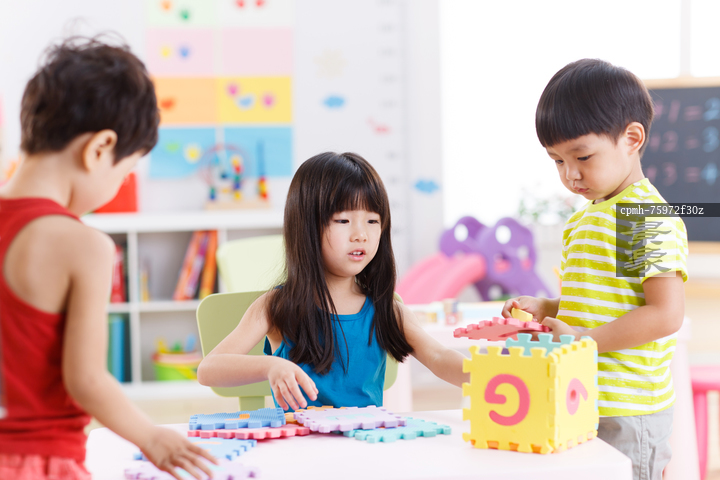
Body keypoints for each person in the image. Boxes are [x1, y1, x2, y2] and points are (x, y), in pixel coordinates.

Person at [0, 37, 216, 480]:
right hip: (40, 461)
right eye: (126, 170)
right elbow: (86, 380)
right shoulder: (84, 245)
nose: (119, 184)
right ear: (99, 149)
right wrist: (152, 437)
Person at [502, 59, 687, 480]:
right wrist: (549, 307)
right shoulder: (586, 218)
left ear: (632, 139)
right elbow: (600, 302)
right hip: (581, 394)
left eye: (582, 156)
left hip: (627, 407)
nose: (570, 174)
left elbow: (664, 313)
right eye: (556, 161)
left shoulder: (640, 216)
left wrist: (583, 341)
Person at [197, 152, 469, 411]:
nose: (361, 234)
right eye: (343, 220)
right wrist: (270, 366)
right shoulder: (277, 306)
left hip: (366, 439)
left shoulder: (388, 310)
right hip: (300, 441)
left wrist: (485, 373)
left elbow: (438, 357)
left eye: (372, 220)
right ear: (306, 227)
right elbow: (209, 369)